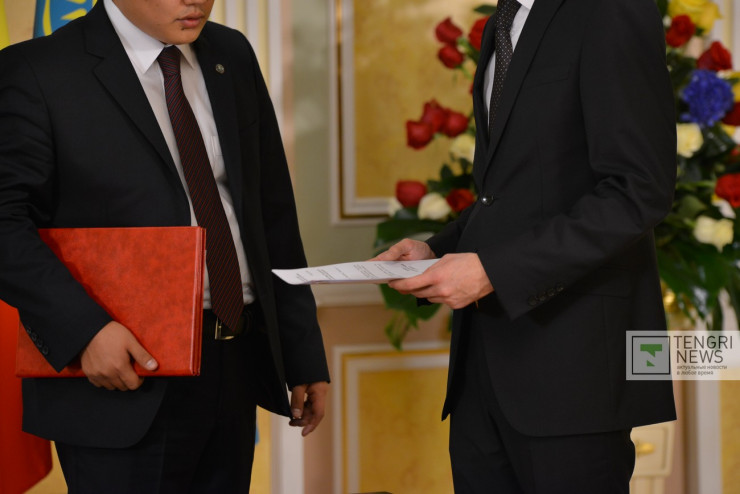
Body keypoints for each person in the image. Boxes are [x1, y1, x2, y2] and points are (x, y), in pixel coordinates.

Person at [0, 0, 329, 492]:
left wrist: (302, 352)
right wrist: (84, 332)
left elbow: (271, 210)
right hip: (118, 375)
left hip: (236, 362)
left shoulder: (231, 53)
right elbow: (5, 223)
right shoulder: (35, 70)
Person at [375, 0, 677, 492]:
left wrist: (493, 271)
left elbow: (639, 190)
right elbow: (507, 196)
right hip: (480, 376)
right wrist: (437, 251)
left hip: (575, 374)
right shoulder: (501, 21)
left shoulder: (610, 8)